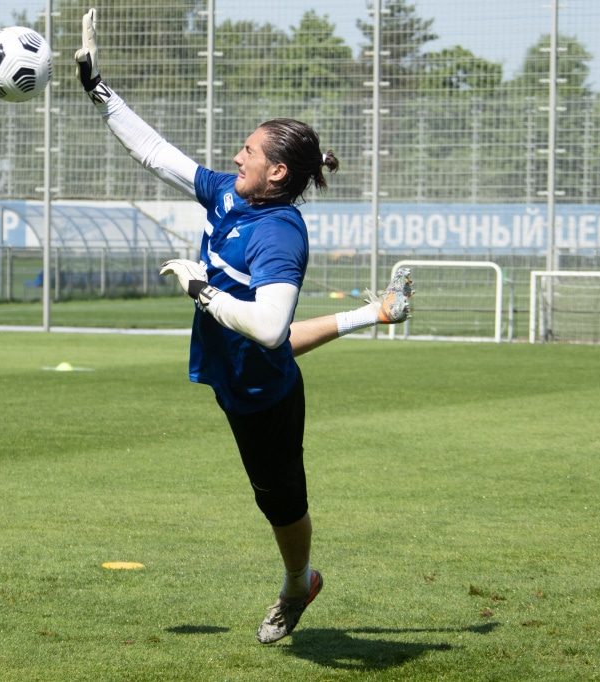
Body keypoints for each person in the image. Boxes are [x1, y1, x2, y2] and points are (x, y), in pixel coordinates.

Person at [74, 8, 413, 644]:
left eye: (249, 151)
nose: (237, 155)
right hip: (240, 365)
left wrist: (202, 290)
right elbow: (154, 153)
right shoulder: (231, 195)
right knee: (277, 356)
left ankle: (297, 583)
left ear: (276, 172)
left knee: (280, 503)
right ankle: (377, 312)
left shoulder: (279, 233)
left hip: (262, 394)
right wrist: (100, 91)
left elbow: (267, 327)